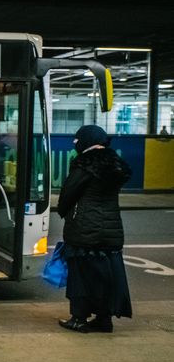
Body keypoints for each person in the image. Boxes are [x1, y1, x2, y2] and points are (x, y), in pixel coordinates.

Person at [56, 125, 133, 333]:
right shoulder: (115, 164)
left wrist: (63, 210)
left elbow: (69, 193)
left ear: (87, 140)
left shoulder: (84, 164)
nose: (74, 142)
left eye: (77, 139)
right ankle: (103, 319)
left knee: (81, 275)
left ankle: (79, 318)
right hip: (111, 228)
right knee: (105, 275)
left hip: (84, 228)